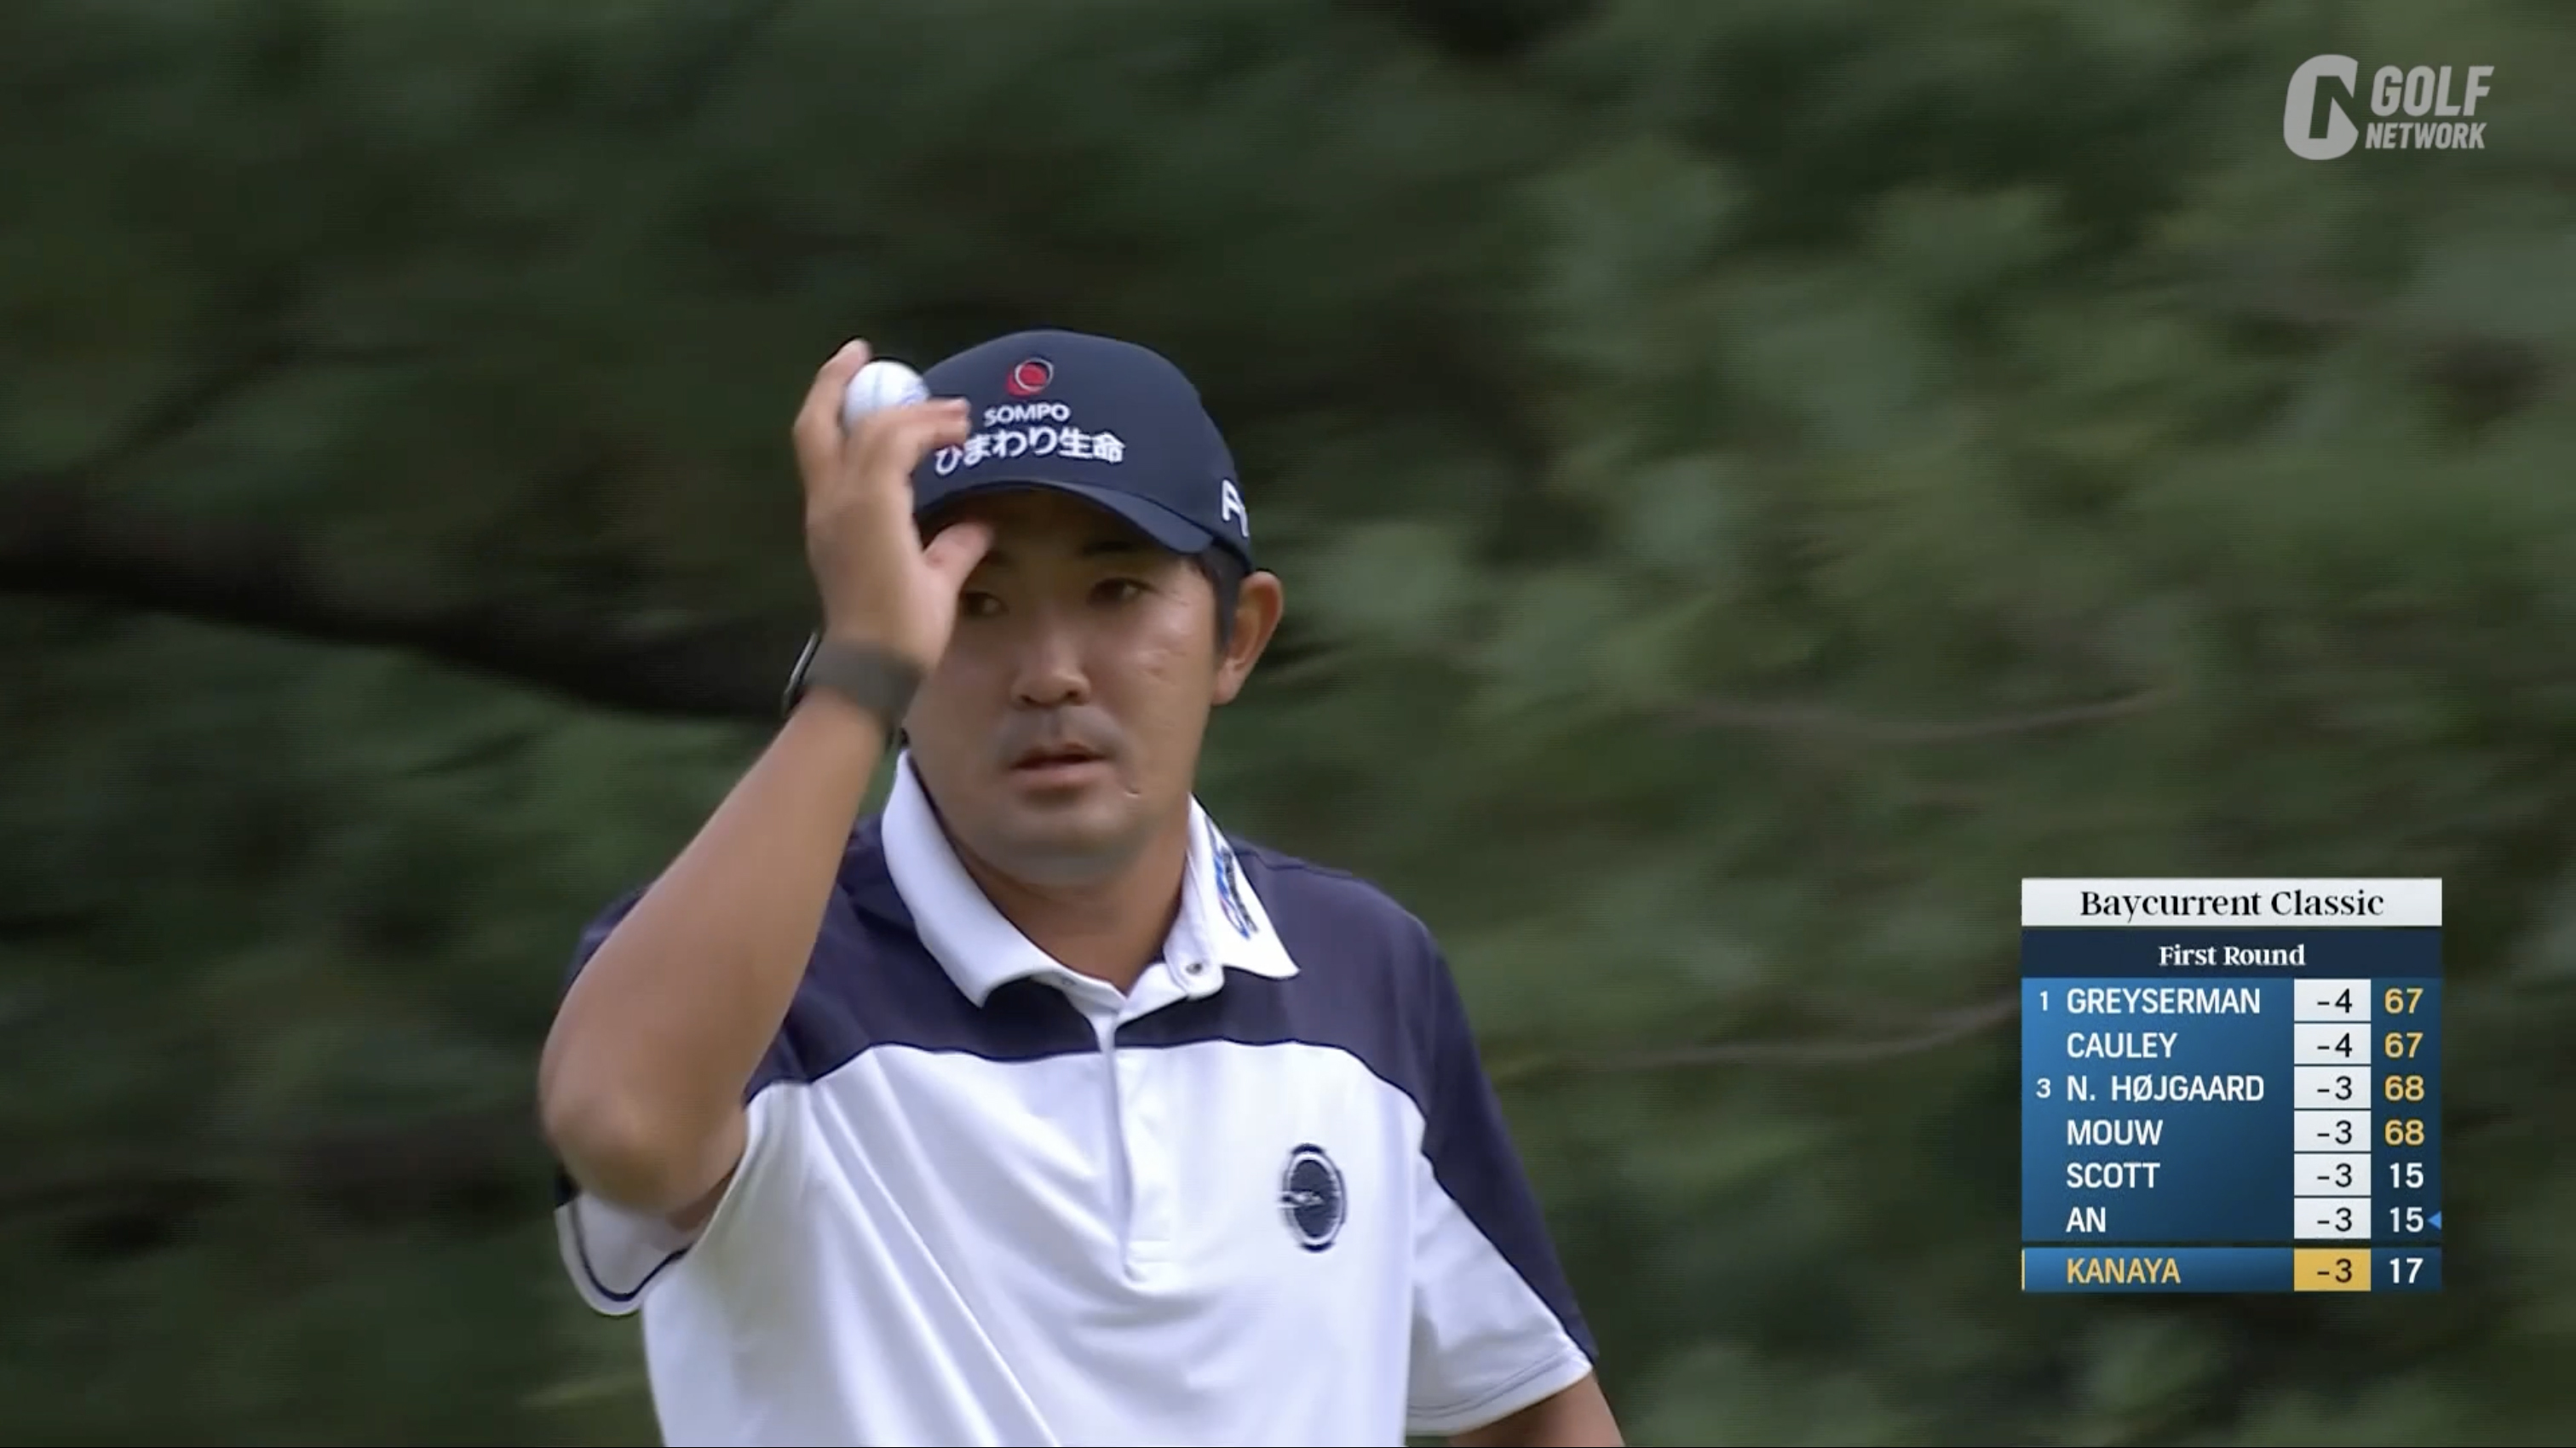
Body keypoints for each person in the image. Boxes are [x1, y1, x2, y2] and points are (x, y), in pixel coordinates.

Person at [538, 328, 1623, 1447]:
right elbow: (626, 1127)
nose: (1050, 672)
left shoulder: (1361, 972)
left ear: (1238, 637)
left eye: (1116, 591)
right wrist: (857, 677)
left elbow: (1533, 1407)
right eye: (974, 602)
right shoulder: (765, 968)